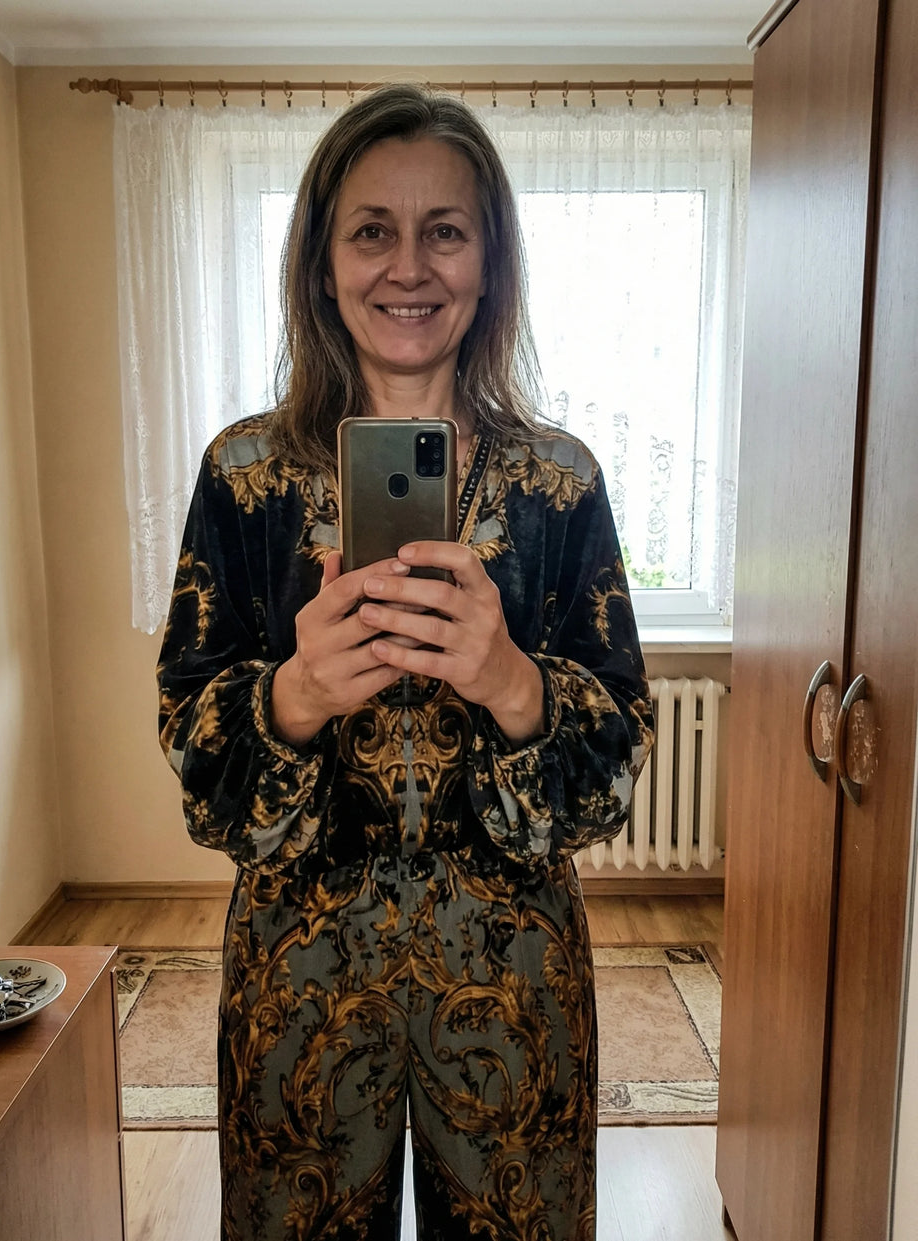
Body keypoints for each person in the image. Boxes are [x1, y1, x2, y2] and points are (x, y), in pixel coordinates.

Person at [157, 82, 654, 1241]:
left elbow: (616, 759)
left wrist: (512, 682)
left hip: (515, 988)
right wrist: (293, 696)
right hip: (300, 987)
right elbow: (191, 747)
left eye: (446, 230)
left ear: (490, 260)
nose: (409, 267)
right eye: (372, 230)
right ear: (322, 261)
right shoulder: (243, 479)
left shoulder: (559, 485)